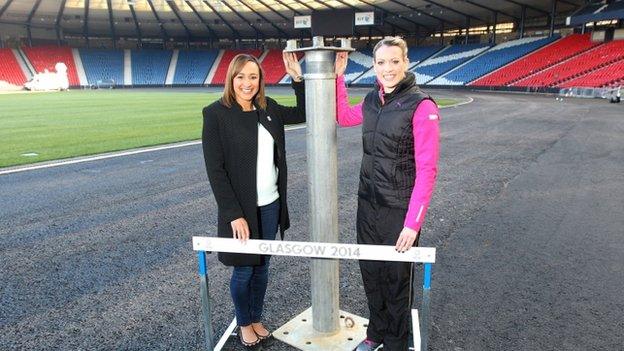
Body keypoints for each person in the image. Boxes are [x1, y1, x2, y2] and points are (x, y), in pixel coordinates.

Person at [334, 37, 440, 351]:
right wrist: (339, 77)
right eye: (381, 62)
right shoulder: (370, 100)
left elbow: (427, 169)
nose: (388, 69)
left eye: (394, 61)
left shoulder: (422, 106)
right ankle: (376, 334)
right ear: (374, 66)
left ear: (405, 63)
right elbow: (344, 117)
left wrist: (413, 224)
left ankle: (396, 341)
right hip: (367, 204)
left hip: (399, 211)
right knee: (371, 273)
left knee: (396, 280)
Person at [202, 52, 304, 349]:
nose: (247, 83)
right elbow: (215, 170)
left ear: (261, 81)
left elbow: (304, 112)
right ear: (231, 79)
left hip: (271, 204)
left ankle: (256, 318)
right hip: (240, 211)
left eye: (253, 76)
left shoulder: (268, 108)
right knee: (244, 269)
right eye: (240, 76)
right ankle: (243, 323)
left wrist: (297, 77)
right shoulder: (215, 114)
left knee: (262, 268)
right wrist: (234, 214)